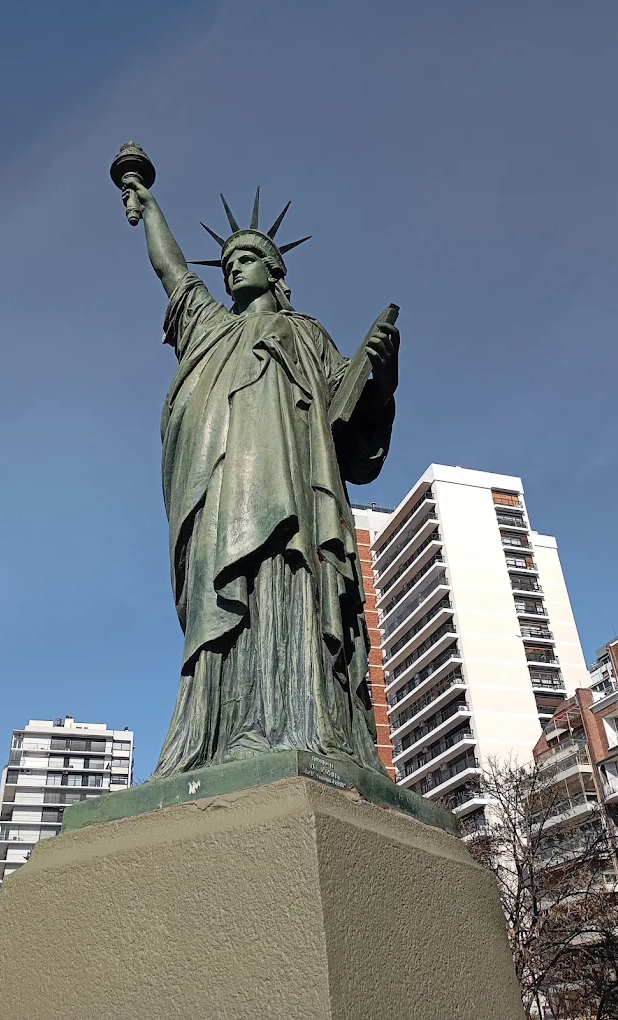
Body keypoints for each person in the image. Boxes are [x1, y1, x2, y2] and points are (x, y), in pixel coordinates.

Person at [123, 179, 400, 776]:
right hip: (225, 495)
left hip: (298, 497)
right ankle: (226, 731)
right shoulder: (211, 330)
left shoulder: (309, 336)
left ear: (274, 269)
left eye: (245, 259)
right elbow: (174, 274)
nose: (232, 269)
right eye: (226, 262)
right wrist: (148, 207)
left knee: (290, 600)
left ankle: (300, 722)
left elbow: (349, 429)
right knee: (229, 607)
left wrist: (381, 370)